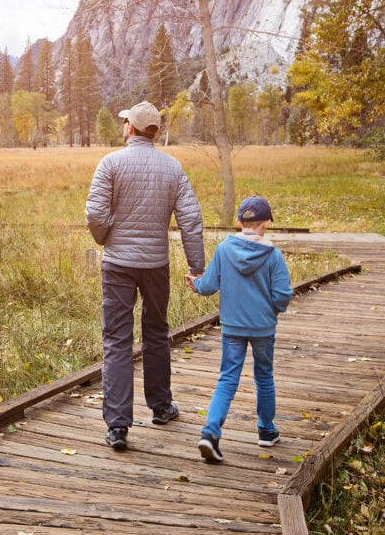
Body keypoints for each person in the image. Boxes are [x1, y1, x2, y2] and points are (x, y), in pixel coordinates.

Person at [86, 101, 205, 450]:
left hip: (118, 264)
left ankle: (118, 426)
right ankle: (161, 406)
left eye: (125, 122)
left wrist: (106, 237)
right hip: (156, 264)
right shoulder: (172, 167)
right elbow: (191, 219)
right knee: (156, 332)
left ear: (130, 129)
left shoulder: (110, 163)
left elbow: (95, 213)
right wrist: (196, 266)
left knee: (117, 340)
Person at [187, 195, 293, 463]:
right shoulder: (273, 255)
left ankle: (210, 433)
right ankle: (266, 431)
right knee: (264, 377)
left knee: (227, 378)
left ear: (238, 222)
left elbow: (209, 285)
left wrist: (195, 284)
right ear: (266, 223)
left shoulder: (224, 250)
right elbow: (282, 296)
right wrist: (271, 309)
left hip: (232, 327)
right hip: (263, 328)